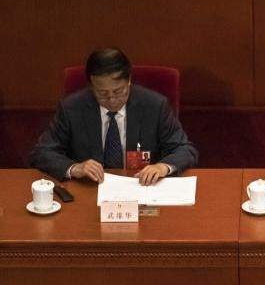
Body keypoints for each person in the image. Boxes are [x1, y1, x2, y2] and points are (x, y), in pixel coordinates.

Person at [29, 47, 198, 184]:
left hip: (140, 188)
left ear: (129, 80)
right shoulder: (72, 108)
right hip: (90, 191)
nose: (111, 99)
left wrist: (163, 167)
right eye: (101, 93)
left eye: (118, 91)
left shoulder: (154, 106)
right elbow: (41, 152)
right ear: (91, 86)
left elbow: (185, 149)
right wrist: (75, 168)